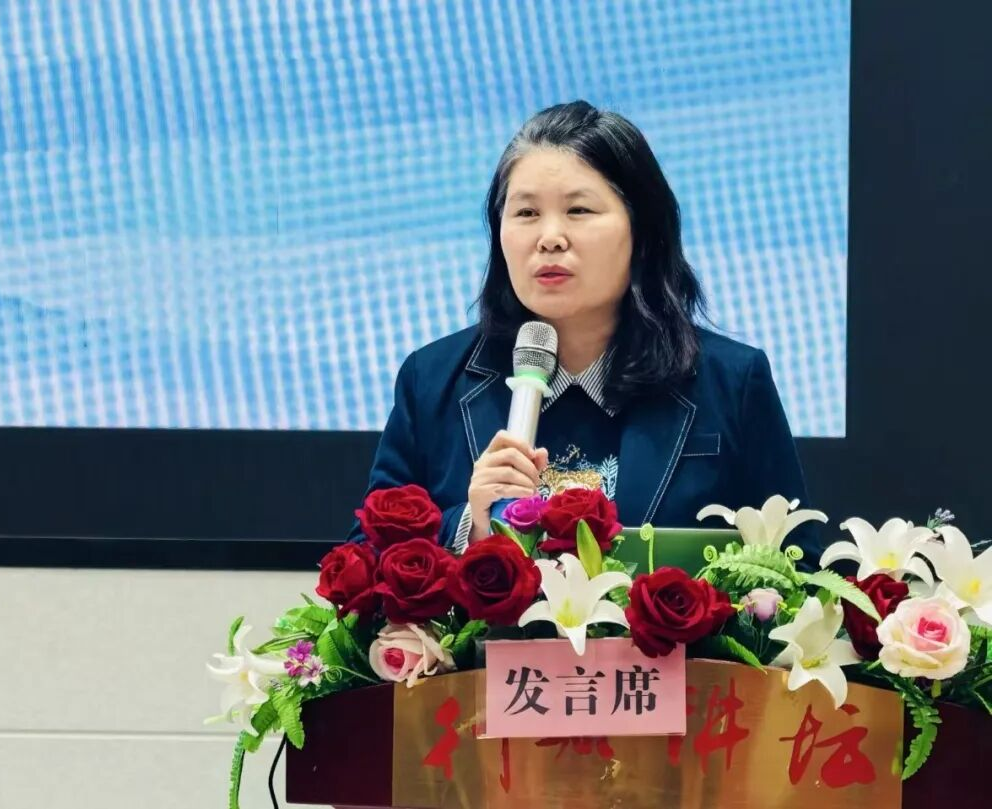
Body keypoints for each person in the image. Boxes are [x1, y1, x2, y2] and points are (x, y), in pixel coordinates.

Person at [347, 100, 817, 557]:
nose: (549, 238)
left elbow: (800, 565)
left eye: (578, 211)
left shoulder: (731, 381)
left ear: (642, 230)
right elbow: (364, 562)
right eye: (526, 213)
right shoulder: (431, 380)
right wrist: (472, 527)